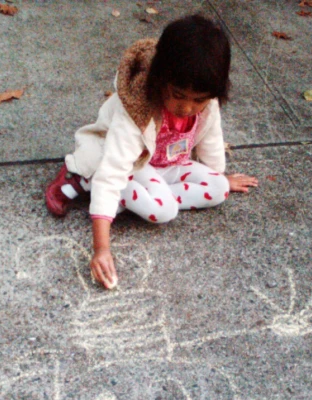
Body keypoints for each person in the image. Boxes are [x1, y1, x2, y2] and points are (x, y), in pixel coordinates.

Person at [45, 14, 257, 289]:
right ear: (160, 79)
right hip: (135, 165)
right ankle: (91, 181)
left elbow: (211, 139)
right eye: (178, 95)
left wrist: (220, 175)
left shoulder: (207, 102)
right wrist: (101, 248)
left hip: (170, 163)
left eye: (199, 100)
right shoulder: (138, 109)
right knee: (164, 211)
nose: (188, 108)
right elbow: (113, 171)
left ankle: (130, 200)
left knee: (218, 189)